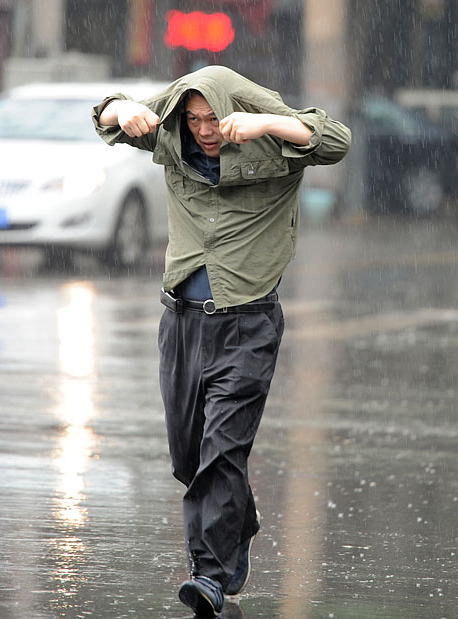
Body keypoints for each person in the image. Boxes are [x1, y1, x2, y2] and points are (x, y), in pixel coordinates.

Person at [93, 65, 350, 617]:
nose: (205, 130)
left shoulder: (275, 147)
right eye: (194, 119)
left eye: (213, 118)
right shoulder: (172, 135)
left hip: (248, 325)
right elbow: (105, 115)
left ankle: (207, 574)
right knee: (190, 455)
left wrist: (263, 124)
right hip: (181, 321)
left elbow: (335, 139)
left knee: (222, 451)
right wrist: (124, 110)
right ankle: (240, 520)